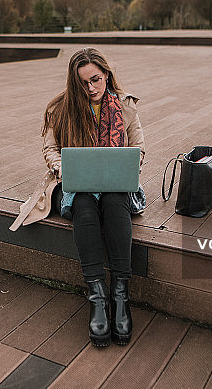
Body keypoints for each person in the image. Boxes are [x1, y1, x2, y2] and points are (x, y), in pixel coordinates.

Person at [42, 47, 145, 348]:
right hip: (77, 184)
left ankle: (121, 296)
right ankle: (97, 298)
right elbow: (50, 149)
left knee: (115, 202)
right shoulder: (60, 109)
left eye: (96, 80)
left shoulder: (125, 107)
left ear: (107, 74)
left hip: (115, 185)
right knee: (84, 205)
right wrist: (60, 166)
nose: (91, 88)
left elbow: (139, 148)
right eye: (83, 83)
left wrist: (127, 165)